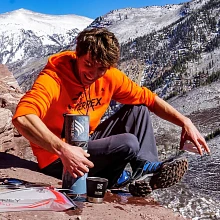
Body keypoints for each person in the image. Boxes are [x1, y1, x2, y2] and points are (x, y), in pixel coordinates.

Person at [12, 27, 210, 197]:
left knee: (138, 108)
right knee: (128, 143)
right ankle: (115, 178)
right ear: (77, 55)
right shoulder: (54, 78)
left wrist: (185, 121)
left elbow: (149, 99)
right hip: (57, 159)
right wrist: (62, 149)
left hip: (85, 142)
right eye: (88, 64)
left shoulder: (109, 77)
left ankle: (144, 168)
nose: (93, 74)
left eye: (101, 69)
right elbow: (23, 117)